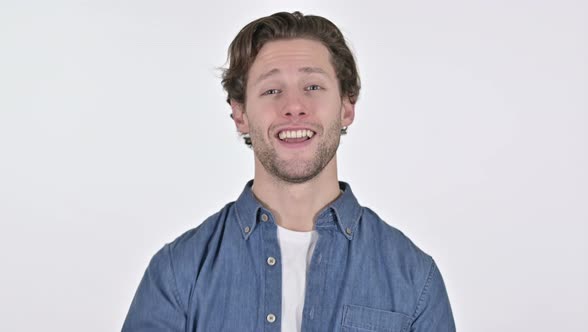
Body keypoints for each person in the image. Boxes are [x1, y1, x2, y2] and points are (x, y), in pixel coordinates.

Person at [122, 11, 455, 332]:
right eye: (271, 90)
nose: (294, 106)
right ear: (240, 115)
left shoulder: (414, 277)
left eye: (313, 86)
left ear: (347, 107)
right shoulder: (177, 274)